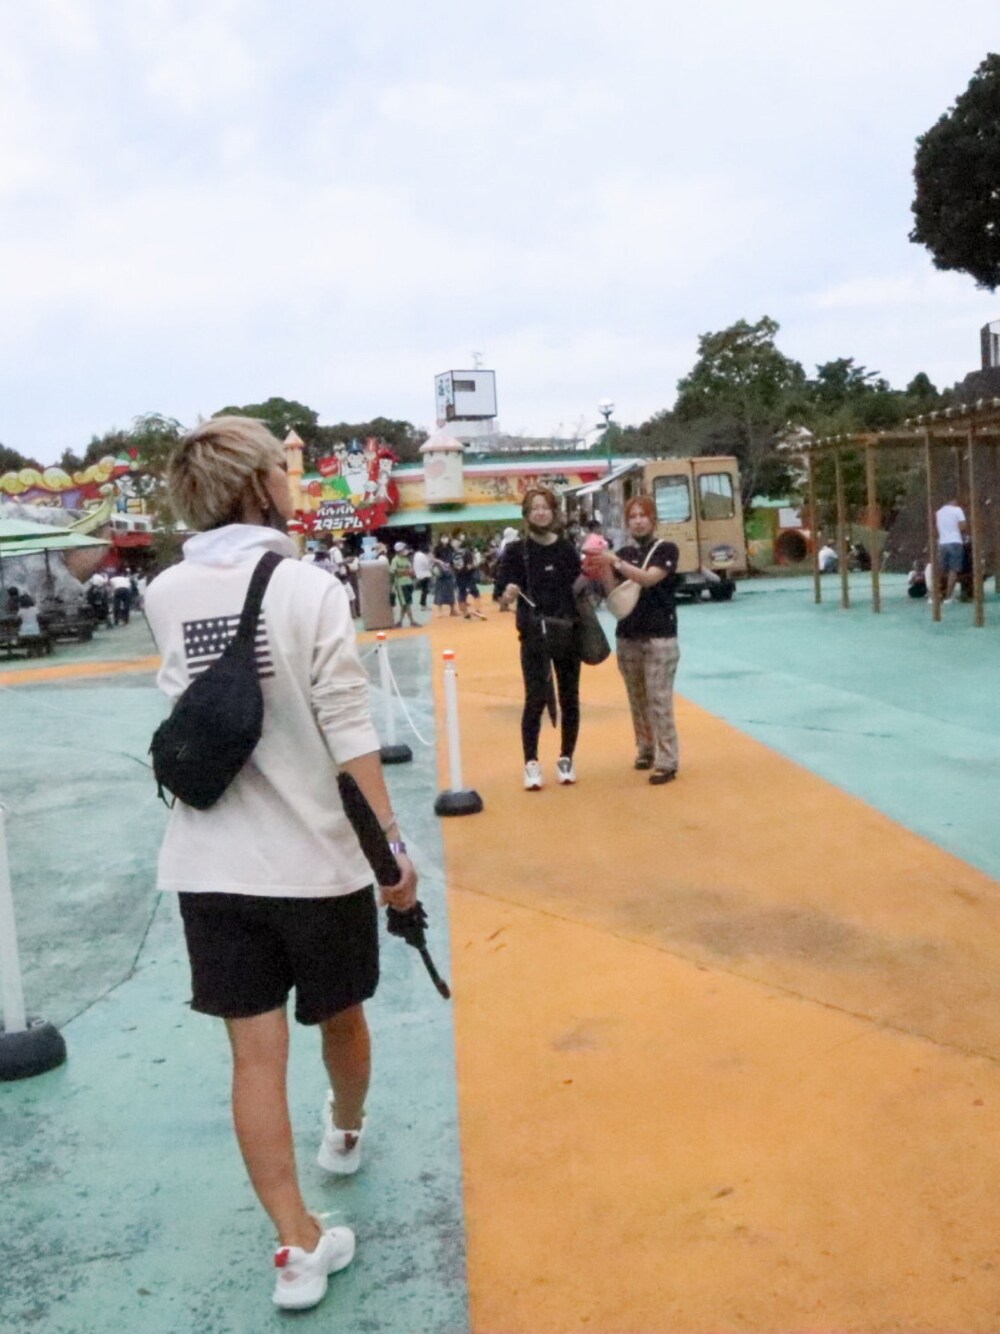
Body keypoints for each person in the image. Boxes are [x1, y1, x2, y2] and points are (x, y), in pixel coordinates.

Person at [143, 416, 418, 1314]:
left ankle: (295, 1245)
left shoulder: (163, 591)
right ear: (260, 483)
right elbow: (347, 724)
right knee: (342, 1016)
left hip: (209, 863)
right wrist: (391, 848)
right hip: (316, 860)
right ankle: (346, 1131)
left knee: (252, 1060)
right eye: (283, 469)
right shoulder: (308, 587)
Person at [589, 495, 680, 785]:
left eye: (643, 515)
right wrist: (602, 567)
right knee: (637, 697)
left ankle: (667, 760)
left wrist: (615, 561)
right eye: (633, 516)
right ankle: (645, 748)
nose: (638, 521)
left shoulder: (666, 549)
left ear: (653, 519)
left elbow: (649, 578)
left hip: (660, 636)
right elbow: (613, 593)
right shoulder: (624, 553)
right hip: (628, 634)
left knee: (659, 699)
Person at [496, 487, 583, 790]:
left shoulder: (567, 549)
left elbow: (579, 588)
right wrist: (507, 594)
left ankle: (566, 758)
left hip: (567, 631)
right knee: (535, 699)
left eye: (546, 507)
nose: (541, 512)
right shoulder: (516, 551)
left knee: (570, 698)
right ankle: (531, 762)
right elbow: (501, 594)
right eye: (535, 508)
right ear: (526, 514)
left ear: (554, 512)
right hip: (533, 634)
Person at [935, 494, 968, 604]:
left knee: (941, 569)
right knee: (953, 570)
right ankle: (949, 596)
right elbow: (963, 525)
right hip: (955, 541)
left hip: (942, 542)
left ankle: (936, 594)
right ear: (953, 500)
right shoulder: (957, 510)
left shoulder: (939, 512)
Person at [453, 537, 486, 619]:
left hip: (458, 576)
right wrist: (476, 565)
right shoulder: (467, 553)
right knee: (475, 593)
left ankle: (465, 613)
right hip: (468, 576)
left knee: (462, 594)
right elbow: (469, 566)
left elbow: (452, 566)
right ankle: (477, 610)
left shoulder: (454, 554)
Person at [389, 542, 417, 627]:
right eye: (403, 549)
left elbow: (411, 571)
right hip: (401, 584)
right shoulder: (395, 560)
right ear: (399, 550)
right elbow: (393, 572)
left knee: (405, 604)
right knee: (406, 604)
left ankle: (400, 622)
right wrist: (406, 572)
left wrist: (407, 572)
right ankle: (412, 621)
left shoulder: (406, 559)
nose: (405, 550)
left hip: (408, 583)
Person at [432, 535, 458, 618]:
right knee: (440, 591)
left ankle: (452, 610)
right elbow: (433, 558)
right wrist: (440, 562)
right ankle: (439, 612)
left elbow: (453, 558)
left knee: (451, 590)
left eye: (446, 538)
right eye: (443, 538)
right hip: (440, 571)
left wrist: (452, 567)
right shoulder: (437, 548)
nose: (445, 539)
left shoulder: (450, 548)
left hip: (449, 570)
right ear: (440, 539)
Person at [412, 544, 433, 609]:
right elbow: (428, 566)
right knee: (425, 591)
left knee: (423, 590)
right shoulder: (424, 556)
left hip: (418, 574)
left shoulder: (416, 555)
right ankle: (423, 605)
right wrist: (431, 562)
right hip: (425, 575)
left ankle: (423, 605)